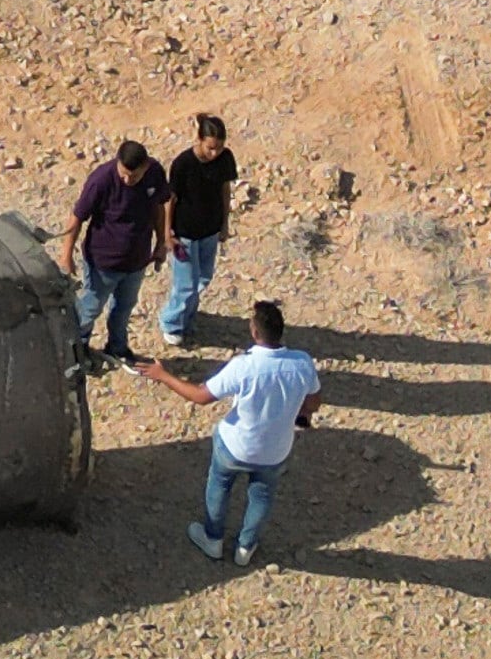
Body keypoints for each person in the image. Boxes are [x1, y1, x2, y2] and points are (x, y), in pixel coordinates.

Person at [182, 304, 323, 569]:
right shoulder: (302, 363)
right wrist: (299, 411)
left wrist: (162, 375)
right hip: (275, 450)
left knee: (219, 485)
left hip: (235, 446)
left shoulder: (243, 366)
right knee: (262, 495)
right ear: (281, 332)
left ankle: (213, 538)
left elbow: (200, 397)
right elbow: (314, 402)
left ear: (254, 331)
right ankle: (246, 547)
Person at [65, 140, 167, 369]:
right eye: (124, 174)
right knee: (89, 308)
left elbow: (158, 207)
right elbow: (77, 217)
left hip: (137, 261)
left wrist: (161, 242)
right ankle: (75, 352)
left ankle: (117, 347)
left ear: (146, 166)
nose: (128, 180)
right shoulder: (101, 180)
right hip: (103, 262)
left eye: (134, 176)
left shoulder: (155, 174)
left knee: (124, 307)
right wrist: (66, 255)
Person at [159, 115, 243, 352]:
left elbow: (225, 190)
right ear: (199, 140)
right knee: (185, 283)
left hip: (209, 231)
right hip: (184, 234)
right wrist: (167, 234)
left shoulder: (225, 159)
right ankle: (172, 323)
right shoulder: (183, 164)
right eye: (210, 148)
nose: (214, 153)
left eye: (219, 147)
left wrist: (224, 223)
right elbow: (170, 201)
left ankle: (187, 318)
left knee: (203, 278)